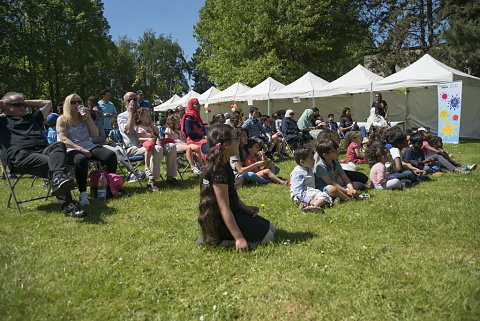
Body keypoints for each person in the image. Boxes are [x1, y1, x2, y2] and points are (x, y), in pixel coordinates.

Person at [0, 92, 84, 217]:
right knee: (53, 165)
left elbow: (47, 103)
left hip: (43, 150)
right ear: (6, 106)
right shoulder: (2, 122)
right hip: (21, 155)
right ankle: (69, 205)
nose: (23, 107)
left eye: (24, 105)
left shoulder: (32, 117)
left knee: (59, 145)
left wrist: (24, 101)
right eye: (18, 105)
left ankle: (58, 180)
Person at [198, 124, 276, 251]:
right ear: (226, 144)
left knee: (271, 228)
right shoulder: (219, 171)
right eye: (236, 138)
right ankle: (221, 240)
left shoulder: (224, 163)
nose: (239, 142)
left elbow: (231, 194)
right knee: (268, 237)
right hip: (222, 221)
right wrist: (239, 238)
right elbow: (224, 208)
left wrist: (245, 208)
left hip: (234, 213)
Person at [57, 94, 118, 206]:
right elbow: (63, 139)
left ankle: (109, 186)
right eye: (74, 102)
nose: (77, 104)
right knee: (81, 160)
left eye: (79, 101)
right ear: (67, 105)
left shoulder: (84, 118)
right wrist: (81, 149)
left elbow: (95, 134)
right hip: (71, 148)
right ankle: (83, 193)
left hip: (89, 146)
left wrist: (89, 118)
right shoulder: (62, 119)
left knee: (111, 155)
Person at [117, 91, 179, 189]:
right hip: (133, 147)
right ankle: (151, 181)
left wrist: (157, 138)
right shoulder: (121, 116)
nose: (133, 102)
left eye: (135, 99)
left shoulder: (143, 114)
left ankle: (170, 177)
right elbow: (128, 131)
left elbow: (153, 130)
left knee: (171, 146)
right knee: (157, 149)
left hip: (150, 143)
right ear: (125, 103)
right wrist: (130, 113)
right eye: (129, 100)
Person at [290, 145, 332, 213]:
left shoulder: (309, 168)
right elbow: (297, 190)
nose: (314, 160)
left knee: (325, 196)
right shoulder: (298, 172)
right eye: (311, 158)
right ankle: (311, 206)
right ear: (302, 162)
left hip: (309, 192)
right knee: (324, 196)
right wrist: (308, 200)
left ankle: (305, 205)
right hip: (301, 194)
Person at [135, 107, 160, 190]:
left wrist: (152, 125)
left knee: (168, 141)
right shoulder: (139, 127)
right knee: (149, 145)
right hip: (145, 143)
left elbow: (157, 132)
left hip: (154, 141)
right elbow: (138, 138)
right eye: (146, 116)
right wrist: (148, 139)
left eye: (149, 115)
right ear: (140, 118)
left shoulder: (150, 126)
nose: (149, 117)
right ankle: (147, 167)